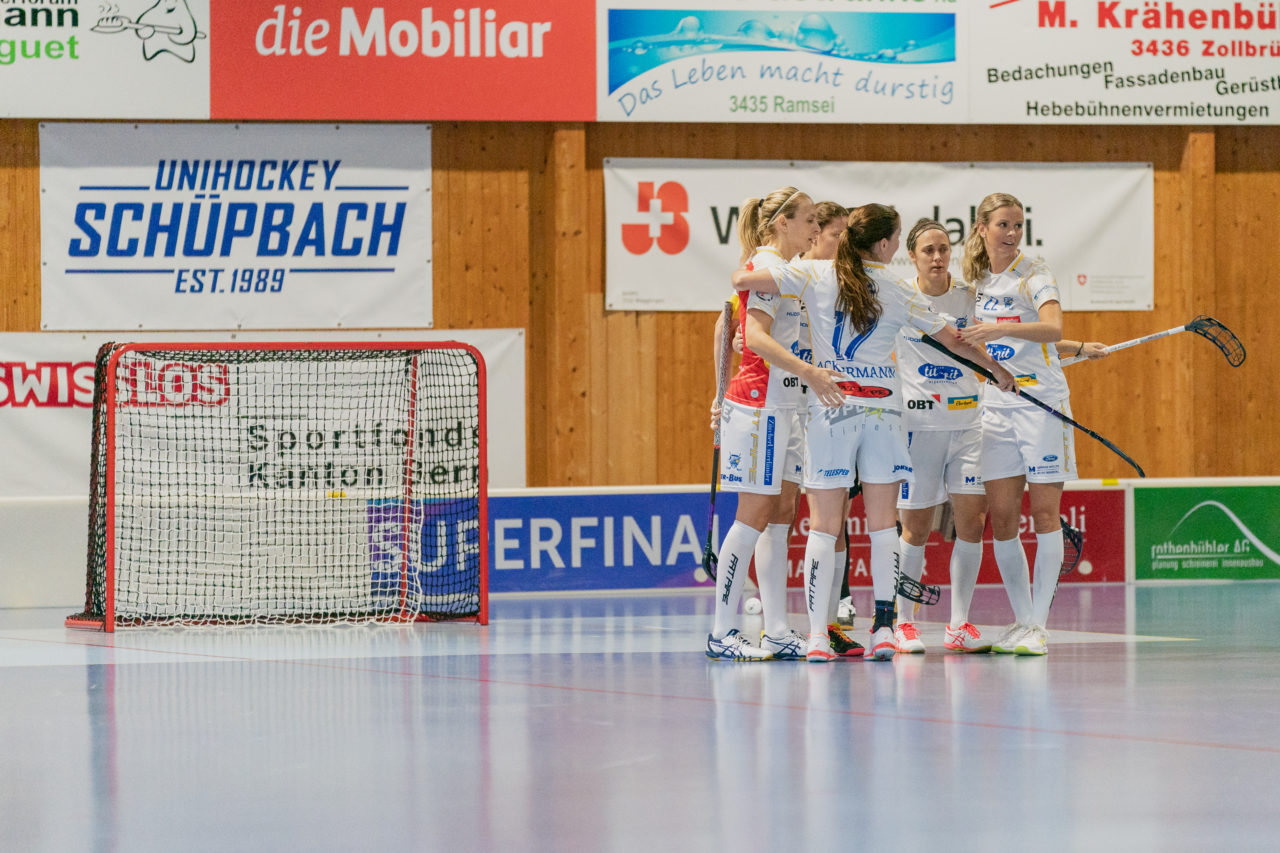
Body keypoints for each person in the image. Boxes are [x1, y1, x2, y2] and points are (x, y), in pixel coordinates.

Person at [733, 203, 1017, 662]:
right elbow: (956, 341)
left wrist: (770, 269)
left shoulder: (816, 274)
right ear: (885, 245)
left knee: (824, 528)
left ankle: (817, 638)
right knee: (885, 525)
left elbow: (744, 282)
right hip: (883, 414)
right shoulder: (898, 290)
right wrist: (999, 372)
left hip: (832, 409)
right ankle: (884, 630)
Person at [956, 193, 1106, 656]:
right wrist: (1080, 348)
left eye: (1017, 225)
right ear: (982, 228)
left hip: (1041, 404)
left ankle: (1039, 626)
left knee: (1044, 513)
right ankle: (1021, 621)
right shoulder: (974, 280)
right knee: (1002, 518)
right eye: (1003, 224)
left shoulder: (1035, 273)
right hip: (995, 408)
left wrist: (1001, 329)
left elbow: (1051, 328)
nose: (1012, 232)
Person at [706, 187, 846, 661]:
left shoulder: (792, 270)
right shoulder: (768, 268)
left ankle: (777, 627)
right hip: (760, 404)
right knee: (754, 513)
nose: (814, 227)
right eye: (808, 219)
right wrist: (808, 372)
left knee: (781, 512)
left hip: (788, 405)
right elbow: (753, 337)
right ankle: (723, 630)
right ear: (783, 222)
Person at [893, 218, 990, 654]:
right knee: (914, 529)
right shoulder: (898, 297)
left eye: (943, 249)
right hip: (919, 430)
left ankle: (958, 623)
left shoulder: (971, 297)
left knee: (972, 524)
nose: (937, 257)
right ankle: (903, 621)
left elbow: (998, 345)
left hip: (969, 426)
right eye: (928, 250)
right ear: (911, 256)